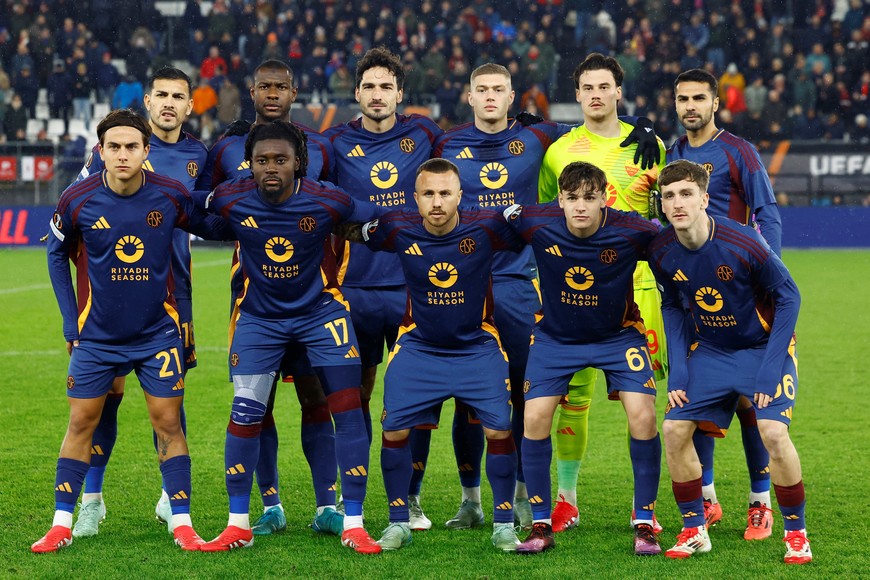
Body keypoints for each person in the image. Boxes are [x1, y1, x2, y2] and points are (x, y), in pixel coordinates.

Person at [33, 109, 233, 553]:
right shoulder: (77, 199)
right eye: (114, 147)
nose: (123, 154)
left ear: (147, 152)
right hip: (97, 338)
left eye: (132, 147)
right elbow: (55, 254)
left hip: (156, 335)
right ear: (101, 151)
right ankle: (61, 522)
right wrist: (72, 322)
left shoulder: (170, 194)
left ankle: (182, 522)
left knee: (168, 423)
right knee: (82, 421)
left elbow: (214, 225)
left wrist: (248, 199)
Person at [200, 120, 381, 555]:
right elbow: (187, 210)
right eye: (262, 161)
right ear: (250, 164)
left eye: (280, 160)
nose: (271, 169)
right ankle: (238, 523)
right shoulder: (231, 196)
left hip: (320, 315)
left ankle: (352, 521)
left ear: (299, 162)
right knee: (246, 412)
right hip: (259, 320)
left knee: (347, 408)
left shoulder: (327, 199)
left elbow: (376, 220)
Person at [338, 158, 524, 552]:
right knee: (394, 431)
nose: (437, 202)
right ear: (415, 197)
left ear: (460, 195)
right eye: (428, 194)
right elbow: (349, 229)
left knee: (499, 430)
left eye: (445, 193)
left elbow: (543, 228)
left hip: (477, 345)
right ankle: (398, 521)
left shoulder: (487, 227)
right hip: (420, 346)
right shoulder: (397, 226)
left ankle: (504, 524)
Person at [69, 66, 210, 538]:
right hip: (111, 298)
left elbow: (210, 209)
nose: (169, 103)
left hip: (175, 295)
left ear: (190, 106)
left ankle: (173, 499)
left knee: (169, 400)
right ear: (147, 103)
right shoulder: (110, 150)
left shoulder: (199, 155)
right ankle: (92, 499)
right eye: (161, 95)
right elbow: (78, 210)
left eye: (178, 96)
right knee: (103, 402)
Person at [203, 59, 342, 538]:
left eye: (282, 86)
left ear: (295, 91)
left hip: (310, 299)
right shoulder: (225, 148)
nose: (273, 94)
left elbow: (335, 211)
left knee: (315, 397)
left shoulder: (317, 147)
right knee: (253, 404)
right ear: (252, 90)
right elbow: (208, 210)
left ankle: (328, 505)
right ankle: (271, 506)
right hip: (253, 299)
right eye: (265, 87)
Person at [648, 159, 811, 565]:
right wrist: (680, 371)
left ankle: (796, 534)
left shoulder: (745, 242)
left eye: (686, 193)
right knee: (672, 429)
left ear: (704, 199)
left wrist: (772, 367)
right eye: (669, 196)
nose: (677, 203)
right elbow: (671, 304)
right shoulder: (661, 251)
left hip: (761, 348)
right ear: (662, 206)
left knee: (773, 432)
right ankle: (694, 530)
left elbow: (790, 296)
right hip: (712, 351)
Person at [537, 53, 667, 533]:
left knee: (660, 397)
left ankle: (693, 497)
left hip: (640, 290)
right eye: (586, 86)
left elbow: (665, 212)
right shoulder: (559, 151)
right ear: (577, 95)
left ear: (618, 91)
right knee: (572, 397)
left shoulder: (647, 147)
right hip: (576, 289)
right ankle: (566, 498)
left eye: (604, 86)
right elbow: (547, 211)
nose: (595, 94)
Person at [507, 162, 661, 555]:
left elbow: (677, 249)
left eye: (589, 198)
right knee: (535, 416)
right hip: (556, 338)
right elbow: (490, 224)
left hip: (618, 336)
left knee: (643, 415)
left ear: (604, 198)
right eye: (572, 198)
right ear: (559, 199)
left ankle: (644, 521)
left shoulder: (633, 230)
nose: (580, 207)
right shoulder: (535, 221)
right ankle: (541, 524)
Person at [323, 47, 442, 530]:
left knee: (415, 394)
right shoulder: (334, 143)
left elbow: (476, 146)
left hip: (414, 286)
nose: (377, 95)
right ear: (357, 93)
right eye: (368, 86)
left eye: (385, 87)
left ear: (399, 93)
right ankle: (355, 487)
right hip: (356, 288)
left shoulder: (424, 134)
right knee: (357, 394)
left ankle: (410, 497)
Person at [668, 68, 783, 539]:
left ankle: (760, 501)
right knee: (698, 398)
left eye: (699, 98)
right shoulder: (672, 154)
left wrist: (767, 275)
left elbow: (767, 212)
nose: (690, 106)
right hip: (693, 294)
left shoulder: (738, 151)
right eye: (682, 99)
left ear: (715, 103)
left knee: (749, 401)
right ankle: (708, 499)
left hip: (741, 292)